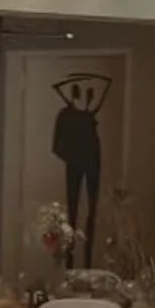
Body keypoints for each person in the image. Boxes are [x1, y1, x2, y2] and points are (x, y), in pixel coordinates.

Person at [50, 72, 109, 264]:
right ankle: (69, 261)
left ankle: (89, 260)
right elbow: (56, 146)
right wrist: (73, 156)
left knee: (93, 208)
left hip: (93, 162)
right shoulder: (65, 115)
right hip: (75, 162)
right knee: (72, 210)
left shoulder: (90, 114)